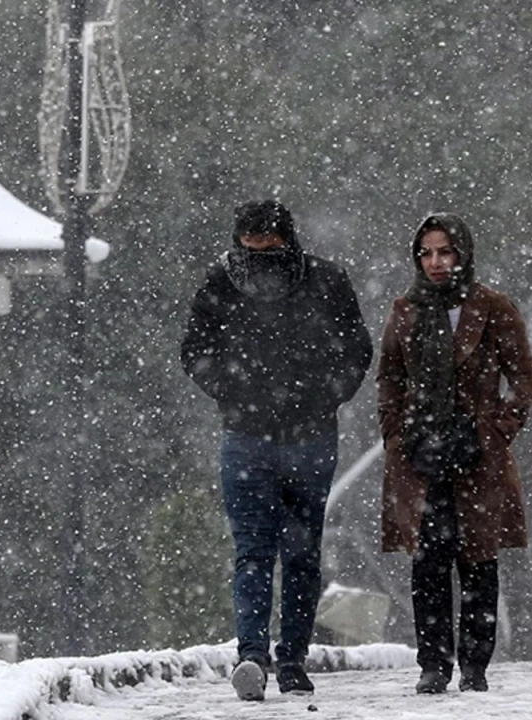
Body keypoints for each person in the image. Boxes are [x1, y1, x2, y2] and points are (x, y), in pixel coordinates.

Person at [181, 199, 373, 701]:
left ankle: (286, 656)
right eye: (253, 250)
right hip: (253, 436)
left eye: (270, 249)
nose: (261, 261)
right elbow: (196, 351)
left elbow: (356, 350)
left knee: (293, 554)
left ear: (287, 241)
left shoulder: (326, 282)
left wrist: (319, 394)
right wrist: (238, 391)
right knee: (261, 552)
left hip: (300, 436)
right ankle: (257, 655)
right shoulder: (223, 283)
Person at [376, 212, 532, 695]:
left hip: (477, 455)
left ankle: (475, 666)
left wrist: (497, 429)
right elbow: (389, 379)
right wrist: (397, 435)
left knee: (478, 560)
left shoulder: (492, 306)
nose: (436, 262)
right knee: (427, 562)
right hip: (419, 455)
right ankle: (433, 665)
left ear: (462, 253)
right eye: (426, 253)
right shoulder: (406, 309)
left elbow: (524, 376)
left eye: (445, 251)